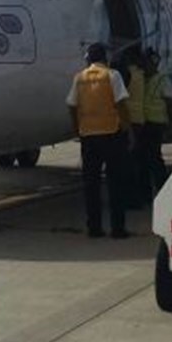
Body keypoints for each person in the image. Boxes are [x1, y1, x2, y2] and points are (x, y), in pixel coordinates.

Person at [68, 42, 131, 238]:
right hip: (111, 134)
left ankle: (94, 228)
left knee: (91, 184)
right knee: (115, 183)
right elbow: (121, 102)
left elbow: (71, 105)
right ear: (105, 59)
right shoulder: (112, 75)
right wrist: (127, 127)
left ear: (88, 59)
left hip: (88, 136)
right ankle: (117, 229)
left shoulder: (79, 79)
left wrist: (77, 127)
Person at [125, 47, 171, 201]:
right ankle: (145, 195)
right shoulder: (143, 79)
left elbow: (169, 103)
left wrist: (170, 124)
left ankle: (164, 192)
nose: (143, 66)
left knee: (154, 160)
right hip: (145, 124)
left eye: (146, 63)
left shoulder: (162, 80)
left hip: (156, 125)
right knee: (142, 160)